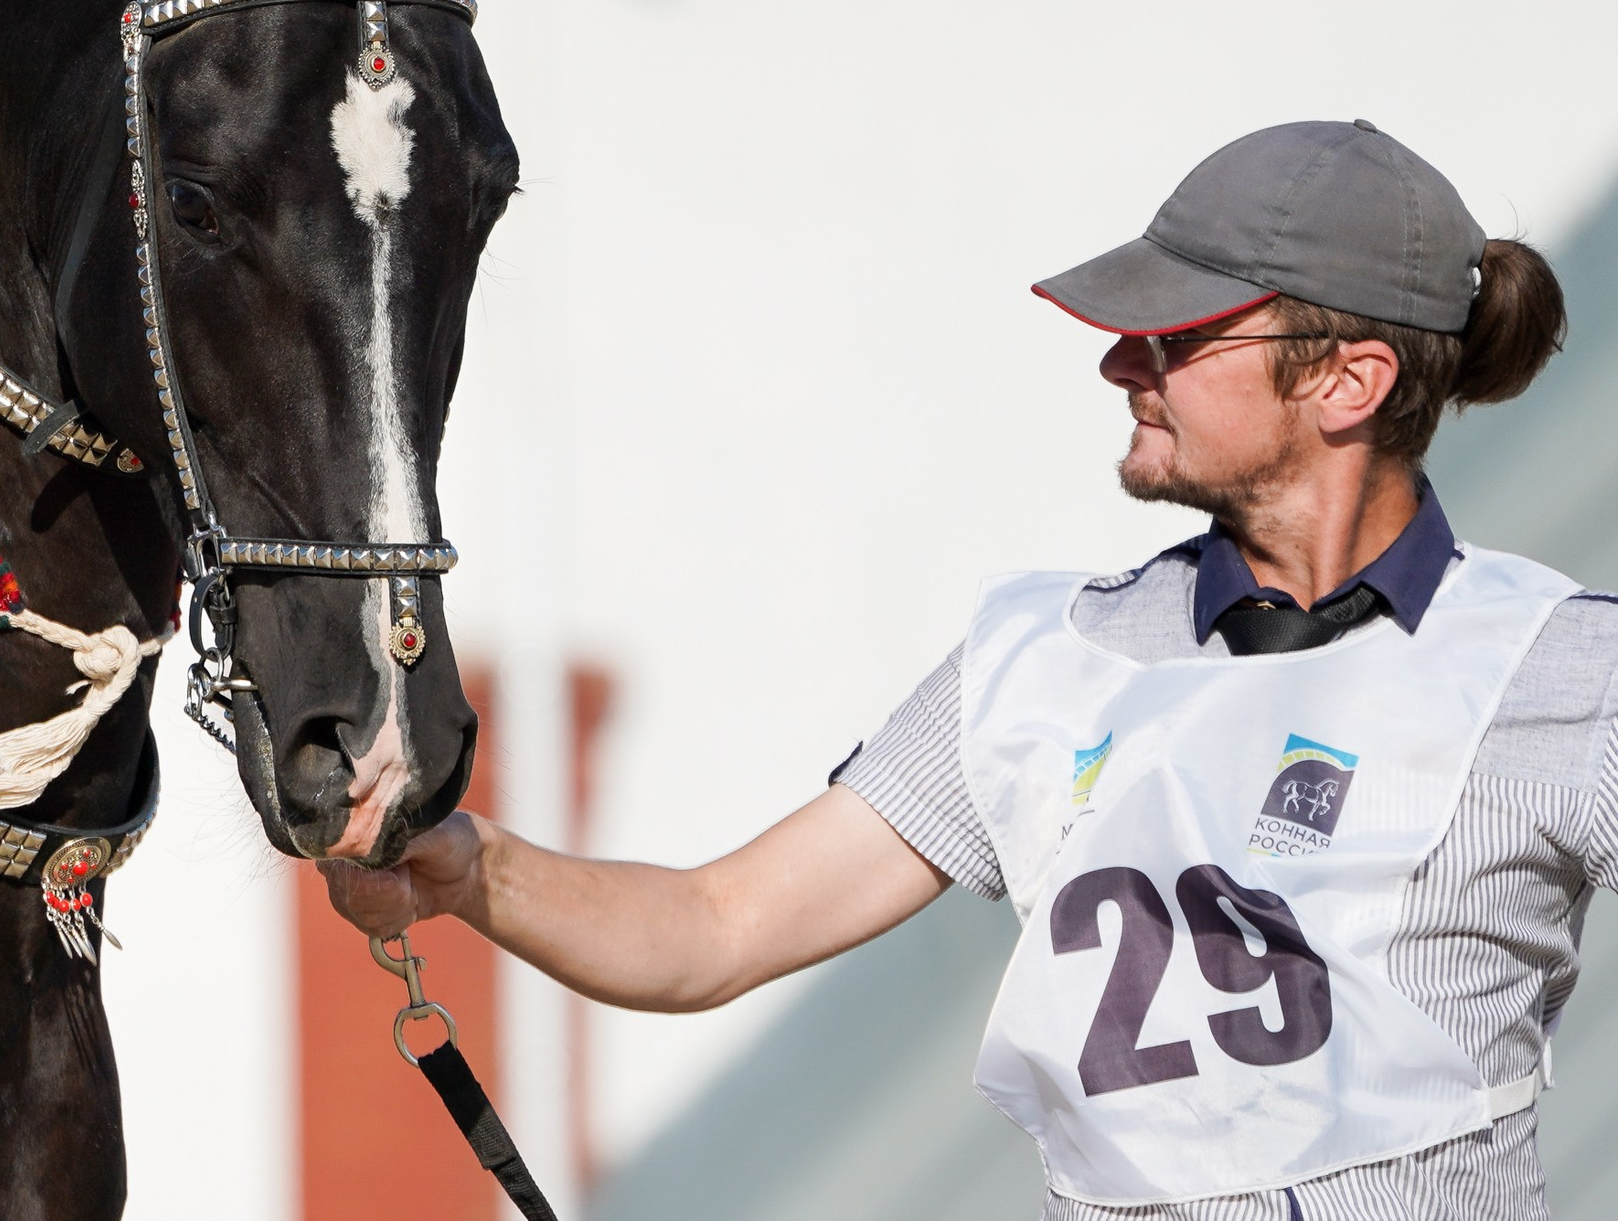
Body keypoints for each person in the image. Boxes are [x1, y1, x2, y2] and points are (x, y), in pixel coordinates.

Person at [323, 120, 1602, 1220]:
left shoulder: (1571, 669)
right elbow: (712, 932)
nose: (1120, 362)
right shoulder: (1037, 661)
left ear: (1347, 380)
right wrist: (469, 867)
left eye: (1176, 335)